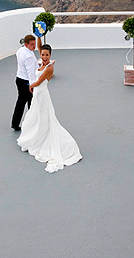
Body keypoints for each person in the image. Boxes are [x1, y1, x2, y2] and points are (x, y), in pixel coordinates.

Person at [17, 37, 82, 173]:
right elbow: (40, 47)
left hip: (42, 95)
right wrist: (39, 36)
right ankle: (36, 135)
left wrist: (31, 86)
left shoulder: (49, 68)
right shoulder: (41, 62)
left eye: (47, 55)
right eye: (43, 54)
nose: (44, 56)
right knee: (35, 116)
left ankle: (42, 139)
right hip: (38, 96)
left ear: (50, 56)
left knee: (42, 118)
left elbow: (38, 81)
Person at [11, 34, 38, 131]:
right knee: (31, 103)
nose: (34, 46)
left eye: (34, 44)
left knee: (21, 102)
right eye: (32, 44)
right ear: (26, 44)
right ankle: (31, 124)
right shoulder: (29, 56)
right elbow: (30, 73)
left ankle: (15, 123)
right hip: (26, 81)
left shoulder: (20, 50)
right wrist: (32, 85)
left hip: (19, 79)